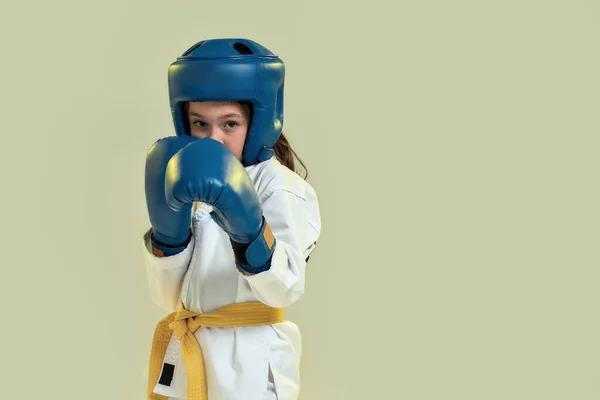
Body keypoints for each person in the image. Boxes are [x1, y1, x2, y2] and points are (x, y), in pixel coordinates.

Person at [142, 38, 321, 400]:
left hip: (249, 363)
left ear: (258, 121)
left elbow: (285, 288)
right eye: (199, 123)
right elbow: (167, 298)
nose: (214, 139)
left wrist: (249, 232)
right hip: (192, 346)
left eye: (229, 124)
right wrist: (168, 236)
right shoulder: (187, 175)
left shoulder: (282, 188)